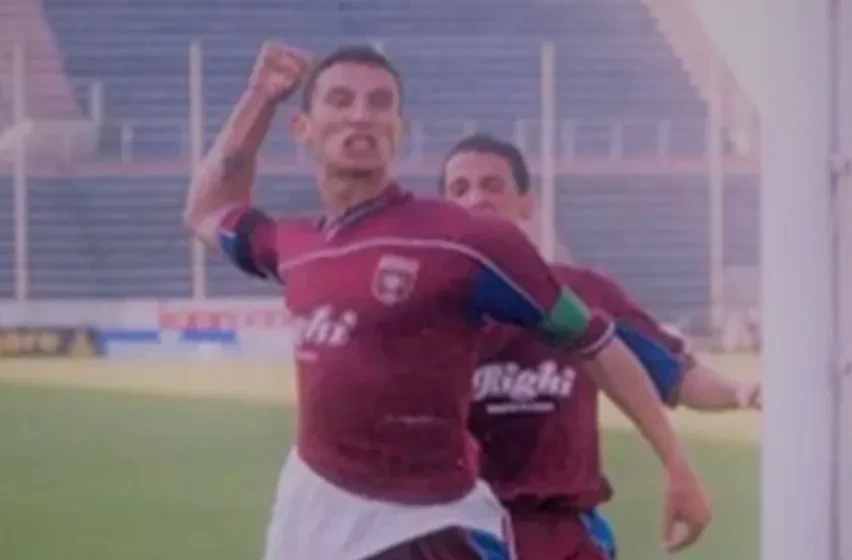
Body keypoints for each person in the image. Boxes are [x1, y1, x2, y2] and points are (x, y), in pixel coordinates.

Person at [183, 43, 710, 560]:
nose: (361, 115)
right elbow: (206, 210)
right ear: (303, 127)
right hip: (313, 504)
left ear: (399, 129)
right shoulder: (294, 246)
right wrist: (261, 98)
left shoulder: (467, 240)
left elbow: (595, 342)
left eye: (380, 103)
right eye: (341, 100)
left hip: (422, 524)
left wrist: (676, 465)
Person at [439, 133, 761, 560]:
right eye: (460, 189)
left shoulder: (582, 294)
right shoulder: (428, 308)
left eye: (493, 185)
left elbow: (672, 373)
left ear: (527, 204)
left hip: (569, 533)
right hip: (469, 534)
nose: (477, 198)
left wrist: (741, 393)